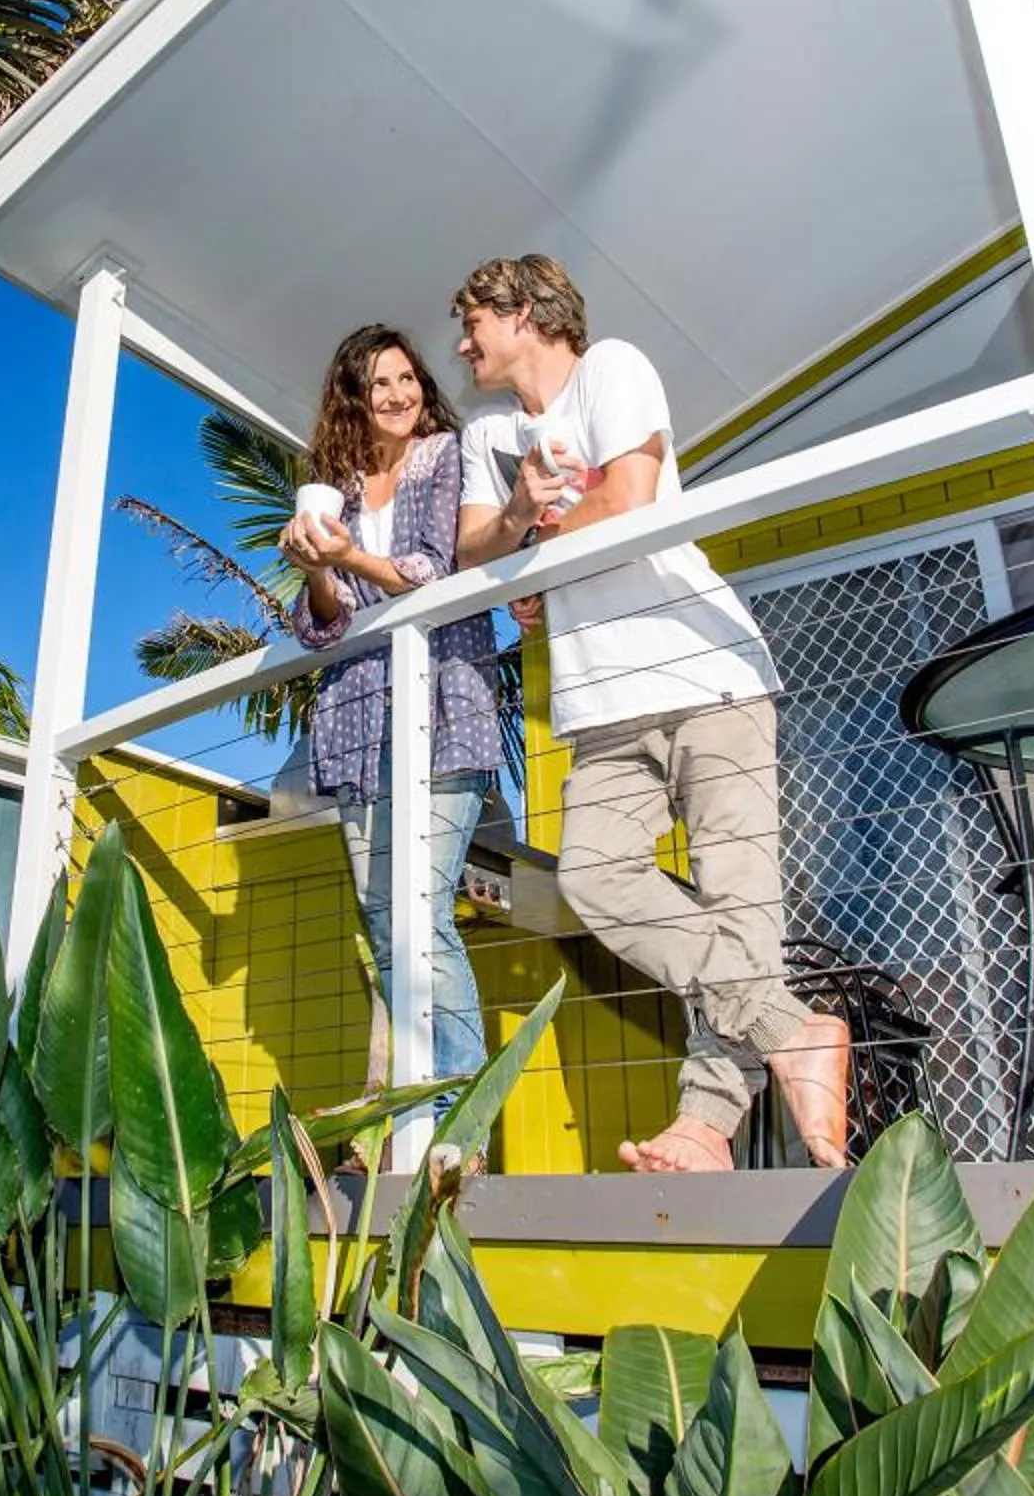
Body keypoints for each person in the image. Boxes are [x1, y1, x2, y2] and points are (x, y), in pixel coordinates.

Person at [451, 254, 850, 1172]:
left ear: (523, 312)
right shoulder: (489, 433)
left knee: (738, 909)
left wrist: (535, 551)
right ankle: (793, 1032)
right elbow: (477, 549)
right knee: (594, 879)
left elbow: (628, 500)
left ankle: (706, 1128)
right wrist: (521, 520)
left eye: (472, 319)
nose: (463, 342)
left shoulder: (612, 369)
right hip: (603, 708)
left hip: (708, 676)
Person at [280, 326, 505, 1144]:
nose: (399, 394)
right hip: (355, 722)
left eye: (408, 377)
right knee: (383, 922)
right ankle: (413, 1112)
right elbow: (321, 628)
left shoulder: (448, 458)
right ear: (354, 396)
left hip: (444, 710)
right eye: (379, 383)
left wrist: (356, 562)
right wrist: (314, 565)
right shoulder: (332, 489)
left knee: (424, 911)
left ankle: (460, 1126)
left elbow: (443, 571)